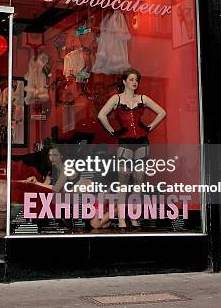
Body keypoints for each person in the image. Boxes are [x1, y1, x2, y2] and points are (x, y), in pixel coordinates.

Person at [97, 68, 166, 229]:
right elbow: (101, 115)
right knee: (123, 182)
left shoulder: (143, 98)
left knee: (139, 181)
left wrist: (149, 127)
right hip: (125, 142)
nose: (135, 82)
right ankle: (122, 218)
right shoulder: (116, 98)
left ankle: (133, 217)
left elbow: (162, 112)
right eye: (131, 79)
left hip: (142, 142)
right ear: (124, 82)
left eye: (136, 80)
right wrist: (113, 131)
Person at [26, 145, 110, 229]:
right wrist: (35, 181)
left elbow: (56, 188)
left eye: (55, 155)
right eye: (50, 155)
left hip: (92, 188)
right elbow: (45, 188)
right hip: (78, 197)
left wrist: (36, 183)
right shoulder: (51, 172)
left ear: (61, 156)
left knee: (96, 223)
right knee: (101, 225)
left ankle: (113, 211)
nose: (52, 158)